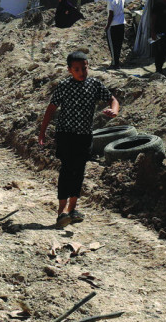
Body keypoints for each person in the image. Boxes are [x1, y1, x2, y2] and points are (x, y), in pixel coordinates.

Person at [37, 51, 120, 228]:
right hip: (66, 135)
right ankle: (61, 213)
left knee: (79, 171)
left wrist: (114, 110)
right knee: (67, 170)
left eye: (84, 68)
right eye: (77, 69)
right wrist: (42, 131)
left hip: (84, 135)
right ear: (69, 70)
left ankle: (72, 209)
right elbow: (51, 109)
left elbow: (113, 99)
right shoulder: (64, 86)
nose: (81, 72)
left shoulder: (94, 84)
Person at [105, 0, 126, 68]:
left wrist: (107, 26)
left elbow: (111, 14)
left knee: (113, 46)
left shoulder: (110, 1)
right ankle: (117, 63)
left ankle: (115, 64)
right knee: (118, 45)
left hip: (113, 26)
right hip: (121, 25)